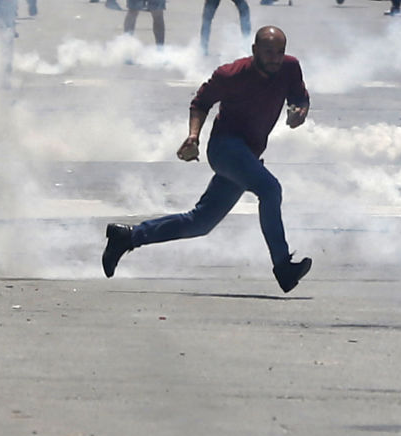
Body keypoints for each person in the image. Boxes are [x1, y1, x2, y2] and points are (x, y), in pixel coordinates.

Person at [100, 25, 313, 293]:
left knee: (200, 223)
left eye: (279, 52)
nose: (275, 58)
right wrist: (193, 137)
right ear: (254, 50)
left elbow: (299, 97)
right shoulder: (231, 74)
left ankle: (128, 237)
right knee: (270, 190)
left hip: (248, 155)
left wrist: (299, 112)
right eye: (268, 52)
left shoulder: (290, 68)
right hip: (225, 149)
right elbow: (200, 103)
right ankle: (283, 266)